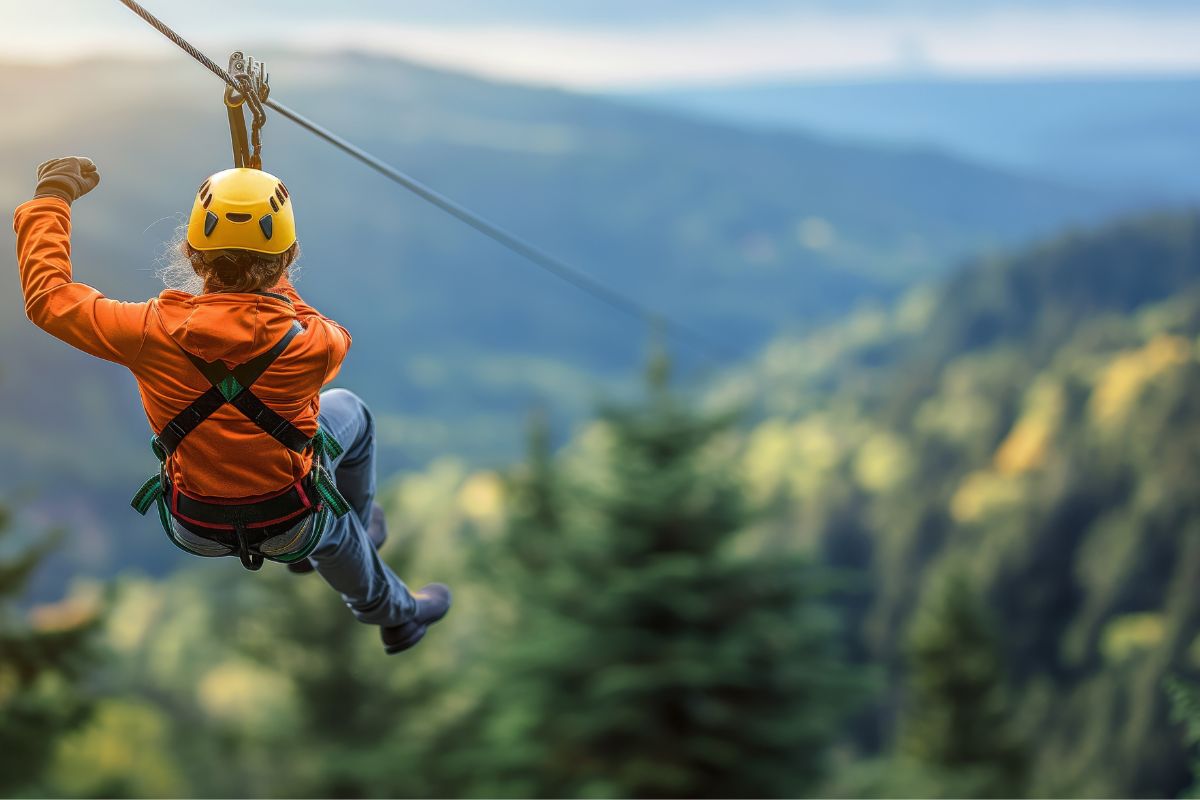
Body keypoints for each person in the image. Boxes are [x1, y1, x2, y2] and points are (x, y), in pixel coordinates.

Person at [13, 156, 450, 655]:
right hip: (291, 518)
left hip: (194, 521)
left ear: (195, 256)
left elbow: (49, 298)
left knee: (334, 478)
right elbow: (308, 321)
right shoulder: (314, 345)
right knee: (348, 420)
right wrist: (269, 281)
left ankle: (358, 544)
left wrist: (52, 197)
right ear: (286, 260)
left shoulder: (147, 332)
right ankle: (396, 612)